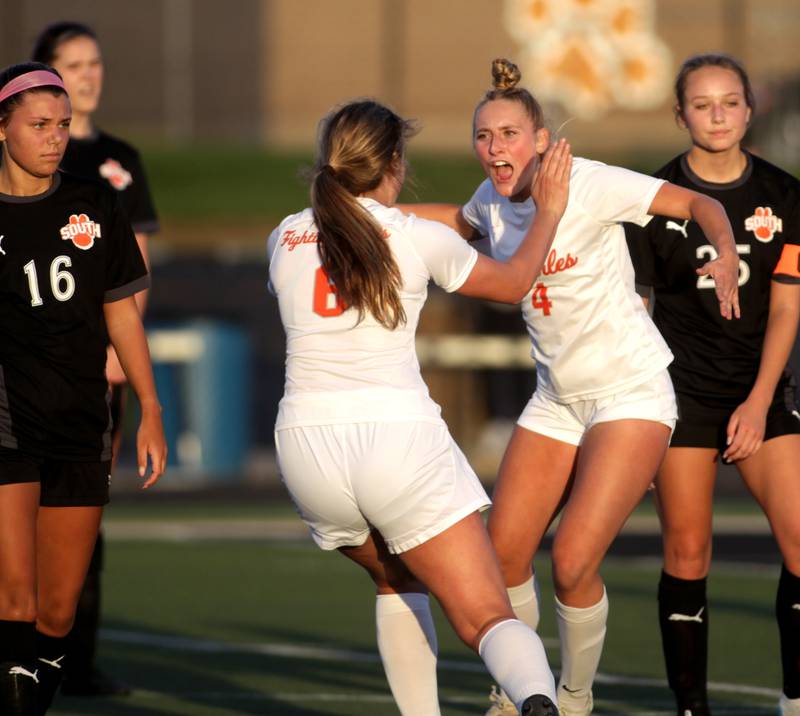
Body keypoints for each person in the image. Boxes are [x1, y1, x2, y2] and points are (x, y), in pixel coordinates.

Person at [402, 58, 741, 716]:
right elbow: (454, 220)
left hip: (630, 392)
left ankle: (574, 698)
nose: (495, 148)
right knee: (499, 559)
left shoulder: (587, 183)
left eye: (508, 134)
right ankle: (518, 689)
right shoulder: (491, 201)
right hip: (557, 398)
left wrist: (724, 250)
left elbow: (698, 202)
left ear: (540, 141)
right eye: (484, 136)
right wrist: (362, 210)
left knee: (575, 562)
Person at [268, 98, 574, 716]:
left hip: (305, 448)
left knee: (395, 578)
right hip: (394, 441)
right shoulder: (414, 238)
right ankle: (543, 704)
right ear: (395, 163)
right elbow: (515, 283)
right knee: (488, 614)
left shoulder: (284, 234)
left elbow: (357, 224)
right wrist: (551, 210)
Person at [625, 53, 800, 716]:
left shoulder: (785, 196)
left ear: (750, 110)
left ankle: (795, 697)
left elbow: (786, 305)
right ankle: (691, 710)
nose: (718, 115)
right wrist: (635, 414)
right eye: (702, 104)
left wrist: (759, 402)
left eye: (730, 102)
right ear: (681, 115)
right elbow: (638, 310)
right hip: (679, 399)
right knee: (688, 551)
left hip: (759, 392)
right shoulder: (653, 197)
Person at [0, 62, 166, 715]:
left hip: (80, 417)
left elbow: (121, 311)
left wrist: (150, 406)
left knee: (56, 614)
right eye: (39, 125)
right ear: (3, 127)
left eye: (63, 126)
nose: (55, 137)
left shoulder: (94, 203)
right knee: (15, 597)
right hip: (7, 418)